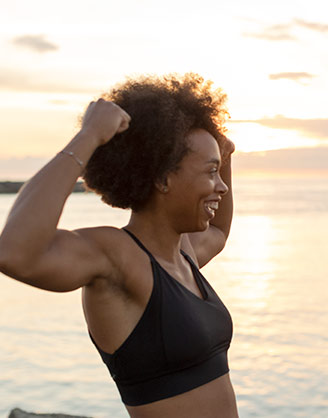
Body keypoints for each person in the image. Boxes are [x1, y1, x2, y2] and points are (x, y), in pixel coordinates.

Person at [0, 73, 238, 418]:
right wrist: (89, 136)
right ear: (162, 178)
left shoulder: (183, 255)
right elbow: (14, 253)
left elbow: (218, 231)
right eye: (210, 172)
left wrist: (225, 161)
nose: (223, 187)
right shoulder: (115, 256)